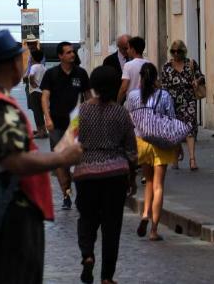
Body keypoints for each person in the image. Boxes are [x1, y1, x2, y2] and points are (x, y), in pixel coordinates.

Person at [0, 30, 82, 284]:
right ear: (12, 64)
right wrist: (62, 158)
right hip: (11, 210)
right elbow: (17, 161)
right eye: (19, 59)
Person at [73, 66, 137, 284]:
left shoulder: (81, 111)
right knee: (112, 225)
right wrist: (132, 177)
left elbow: (70, 143)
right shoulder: (121, 113)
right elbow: (131, 149)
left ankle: (87, 254)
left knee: (87, 218)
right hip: (115, 174)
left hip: (86, 173)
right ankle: (107, 277)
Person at [126, 62, 177, 242]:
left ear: (141, 77)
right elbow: (171, 119)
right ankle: (154, 229)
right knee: (158, 186)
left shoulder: (132, 96)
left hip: (141, 141)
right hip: (160, 143)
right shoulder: (164, 95)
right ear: (156, 78)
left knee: (148, 182)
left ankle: (145, 214)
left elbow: (129, 118)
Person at [41, 41, 91, 210]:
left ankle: (80, 192)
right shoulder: (51, 74)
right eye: (68, 52)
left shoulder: (81, 74)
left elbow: (88, 97)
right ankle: (66, 194)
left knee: (78, 160)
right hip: (57, 123)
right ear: (60, 56)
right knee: (61, 162)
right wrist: (47, 118)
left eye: (72, 52)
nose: (72, 54)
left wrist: (91, 116)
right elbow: (45, 97)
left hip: (77, 124)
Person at [161, 39, 203, 171]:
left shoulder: (190, 63)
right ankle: (175, 156)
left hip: (188, 100)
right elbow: (163, 85)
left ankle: (192, 159)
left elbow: (201, 76)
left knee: (189, 128)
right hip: (172, 103)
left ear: (183, 51)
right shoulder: (167, 66)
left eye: (178, 51)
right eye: (173, 51)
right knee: (175, 130)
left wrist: (197, 81)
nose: (176, 54)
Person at [117, 36, 146, 103]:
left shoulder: (128, 65)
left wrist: (118, 103)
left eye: (128, 48)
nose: (127, 51)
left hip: (132, 102)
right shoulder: (150, 64)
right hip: (146, 102)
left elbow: (124, 88)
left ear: (132, 50)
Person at [26, 48, 46, 138]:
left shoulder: (33, 67)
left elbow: (31, 75)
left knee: (36, 112)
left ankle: (40, 132)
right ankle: (43, 130)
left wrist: (32, 83)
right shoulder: (43, 67)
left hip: (34, 92)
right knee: (41, 112)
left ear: (33, 58)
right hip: (41, 92)